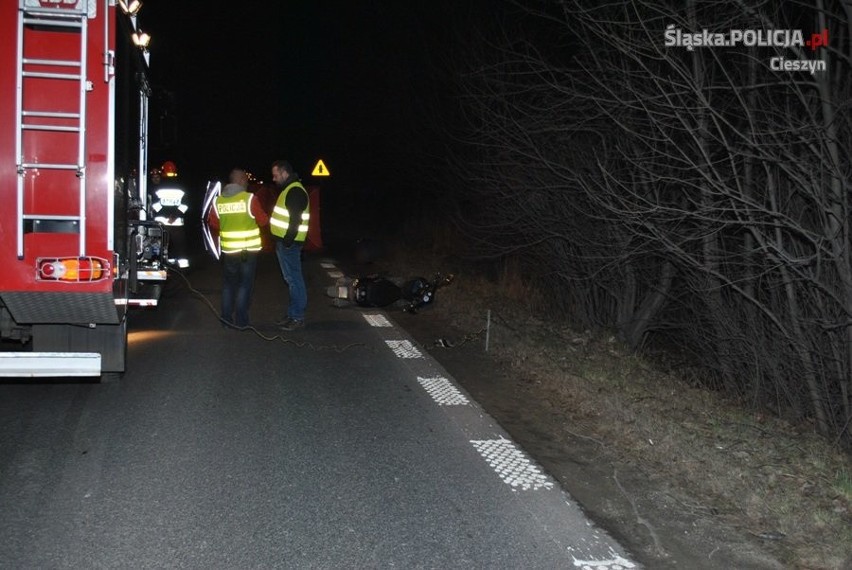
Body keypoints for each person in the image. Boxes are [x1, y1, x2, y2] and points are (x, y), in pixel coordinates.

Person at [206, 168, 269, 328]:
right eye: (245, 179)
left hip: (229, 251)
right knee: (245, 284)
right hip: (248, 250)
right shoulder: (249, 199)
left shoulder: (218, 201)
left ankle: (226, 320)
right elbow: (262, 221)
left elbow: (213, 223)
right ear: (240, 180)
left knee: (228, 285)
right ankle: (242, 321)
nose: (247, 182)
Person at [270, 160, 310, 330]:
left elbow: (295, 220)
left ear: (285, 173)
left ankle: (297, 317)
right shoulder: (290, 189)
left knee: (294, 280)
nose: (274, 178)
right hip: (286, 243)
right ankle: (292, 314)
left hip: (289, 244)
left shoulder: (294, 191)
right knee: (291, 280)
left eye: (276, 174)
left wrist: (287, 241)